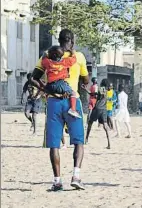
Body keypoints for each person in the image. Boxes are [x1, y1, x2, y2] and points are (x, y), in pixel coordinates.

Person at [30, 29, 89, 191]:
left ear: (59, 39)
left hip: (53, 102)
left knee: (54, 144)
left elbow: (33, 77)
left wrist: (47, 89)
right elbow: (86, 79)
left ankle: (57, 181)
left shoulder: (47, 56)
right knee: (79, 141)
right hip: (72, 101)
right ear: (72, 40)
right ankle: (76, 176)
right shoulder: (79, 57)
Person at [31, 45, 81, 119]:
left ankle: (55, 96)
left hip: (50, 85)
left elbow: (43, 59)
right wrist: (72, 52)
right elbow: (74, 60)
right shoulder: (64, 62)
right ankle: (73, 109)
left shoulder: (48, 62)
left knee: (48, 90)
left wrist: (45, 54)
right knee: (73, 93)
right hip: (60, 84)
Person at [85, 79, 111, 149]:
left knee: (90, 122)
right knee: (105, 126)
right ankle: (109, 143)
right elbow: (95, 94)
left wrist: (87, 90)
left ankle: (86, 139)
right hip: (104, 109)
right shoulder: (107, 90)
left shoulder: (102, 89)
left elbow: (94, 95)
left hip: (98, 108)